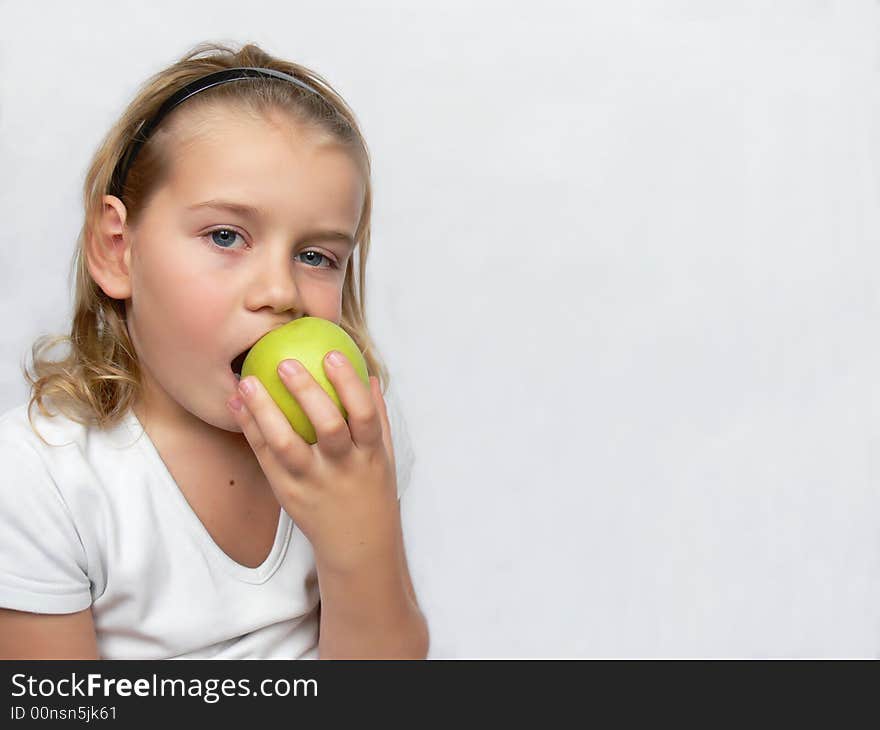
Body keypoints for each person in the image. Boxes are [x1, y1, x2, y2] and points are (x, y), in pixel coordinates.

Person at [0, 41, 428, 659]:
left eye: (316, 256)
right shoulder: (42, 480)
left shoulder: (352, 437)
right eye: (226, 236)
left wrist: (360, 543)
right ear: (117, 249)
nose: (281, 292)